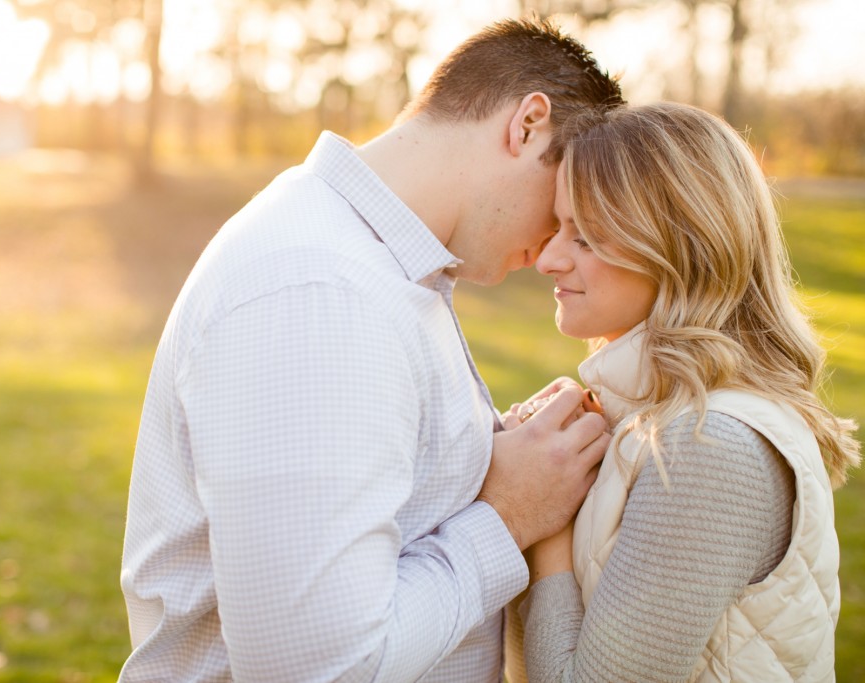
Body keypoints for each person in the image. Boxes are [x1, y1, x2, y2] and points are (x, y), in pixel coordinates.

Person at [117, 18, 623, 682]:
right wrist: (504, 514)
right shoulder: (318, 289)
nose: (555, 248)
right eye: (562, 210)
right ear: (527, 124)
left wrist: (498, 453)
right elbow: (315, 668)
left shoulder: (380, 269)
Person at [504, 102, 861, 682]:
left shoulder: (710, 446)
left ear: (680, 248)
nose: (547, 258)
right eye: (557, 227)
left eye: (587, 237)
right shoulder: (650, 413)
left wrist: (548, 527)